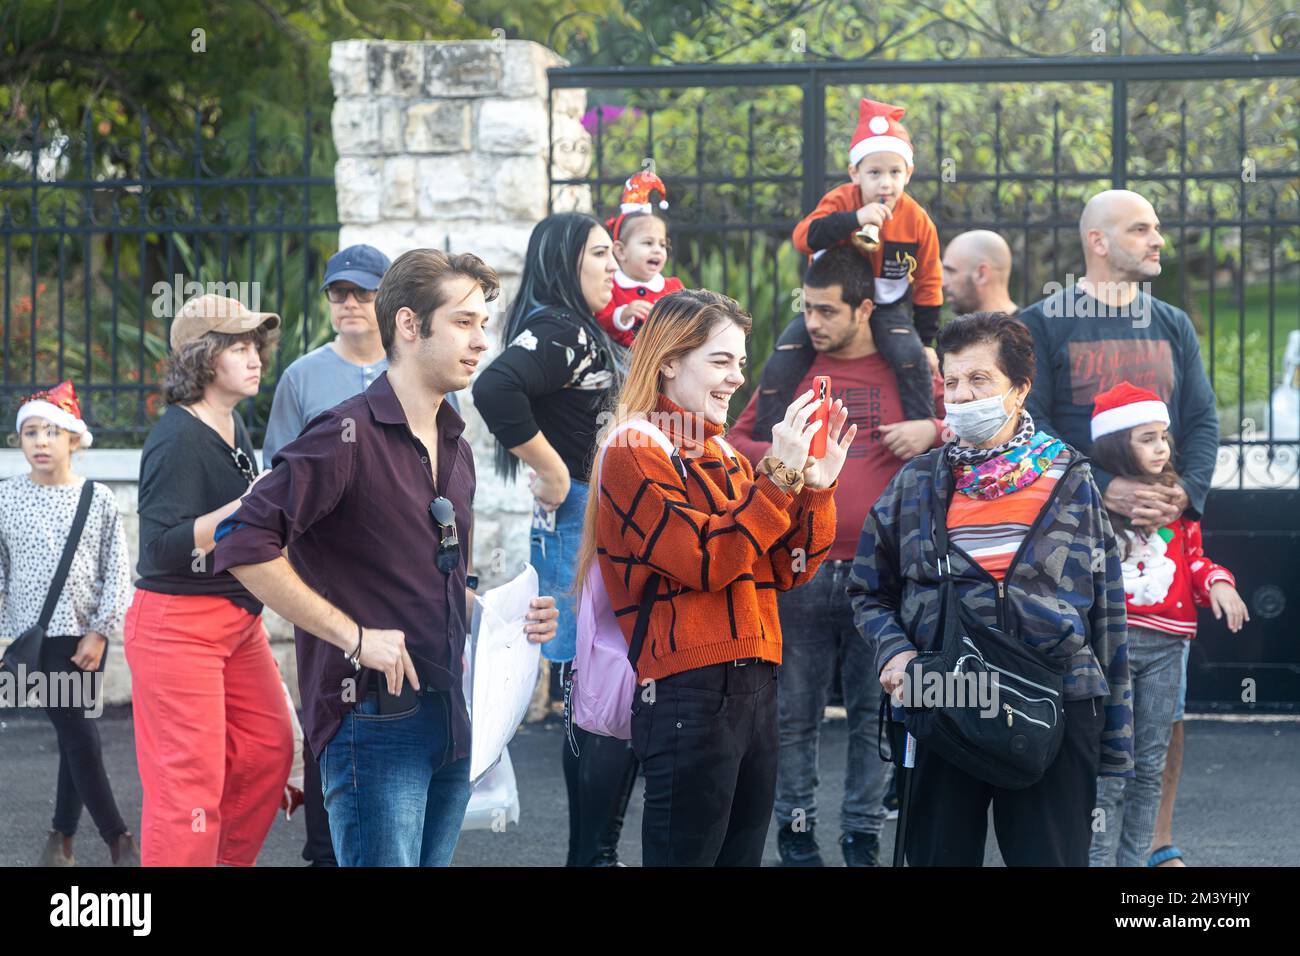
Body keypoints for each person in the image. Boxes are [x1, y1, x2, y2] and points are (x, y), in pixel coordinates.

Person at [213, 249, 559, 867]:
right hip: (372, 723)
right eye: (463, 322)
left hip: (453, 719)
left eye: (484, 323)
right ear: (407, 324)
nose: (481, 340)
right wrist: (353, 637)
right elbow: (241, 538)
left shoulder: (456, 442)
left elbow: (437, 575)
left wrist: (504, 620)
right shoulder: (343, 435)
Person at [849, 311, 1134, 866]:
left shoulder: (1071, 480)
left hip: (1055, 701)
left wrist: (1114, 738)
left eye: (979, 380)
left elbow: (1109, 609)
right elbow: (867, 589)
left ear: (1020, 388)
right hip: (944, 695)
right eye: (952, 381)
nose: (962, 394)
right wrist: (898, 652)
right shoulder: (916, 482)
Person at [578, 288, 851, 866]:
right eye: (720, 361)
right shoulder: (633, 448)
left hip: (755, 684)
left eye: (741, 364)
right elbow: (706, 560)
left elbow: (786, 568)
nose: (736, 379)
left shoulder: (725, 454)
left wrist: (819, 488)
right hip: (687, 689)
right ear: (670, 360)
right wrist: (776, 475)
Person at [1017, 188, 1220, 867]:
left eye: (1157, 227)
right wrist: (1105, 488)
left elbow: (1202, 423)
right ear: (1098, 242)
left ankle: (1155, 844)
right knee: (1082, 709)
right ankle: (1081, 850)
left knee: (1167, 711)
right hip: (1073, 557)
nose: (1157, 239)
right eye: (1142, 229)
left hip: (1162, 553)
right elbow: (1029, 429)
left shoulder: (1173, 323)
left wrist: (1182, 496)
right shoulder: (1043, 325)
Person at [727, 246, 945, 867]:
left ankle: (861, 834)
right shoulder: (792, 369)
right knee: (793, 712)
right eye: (809, 308)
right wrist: (785, 449)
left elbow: (982, 427)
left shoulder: (908, 372)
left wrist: (934, 430)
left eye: (827, 310)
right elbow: (739, 439)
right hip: (802, 568)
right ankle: (797, 834)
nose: (814, 321)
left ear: (865, 308)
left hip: (884, 576)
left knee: (873, 711)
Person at [472, 212, 635, 867]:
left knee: (598, 695)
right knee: (590, 698)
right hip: (577, 528)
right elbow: (495, 386)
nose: (611, 268)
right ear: (566, 261)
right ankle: (588, 855)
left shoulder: (580, 328)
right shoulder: (561, 327)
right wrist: (549, 469)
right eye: (600, 254)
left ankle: (595, 851)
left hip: (588, 528)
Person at [124, 294, 293, 867]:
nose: (256, 359)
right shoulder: (176, 439)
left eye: (256, 347)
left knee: (268, 750)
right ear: (204, 358)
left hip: (235, 623)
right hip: (178, 626)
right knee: (187, 791)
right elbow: (158, 548)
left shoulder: (232, 422)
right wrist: (243, 506)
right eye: (240, 348)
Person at [263, 242, 402, 867]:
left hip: (402, 576)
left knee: (401, 710)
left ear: (387, 301)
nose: (349, 303)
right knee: (329, 709)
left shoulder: (415, 371)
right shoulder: (302, 377)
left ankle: (389, 838)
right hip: (323, 580)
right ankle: (324, 852)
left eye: (363, 293)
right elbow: (279, 483)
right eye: (338, 293)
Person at [1086, 382, 1248, 868]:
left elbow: (1193, 561)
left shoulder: (1177, 502)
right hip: (1109, 648)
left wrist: (1219, 582)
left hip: (1167, 650)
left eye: (1164, 437)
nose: (1163, 447)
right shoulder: (1092, 503)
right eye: (1147, 438)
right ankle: (1092, 860)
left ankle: (1134, 863)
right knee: (1107, 770)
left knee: (1148, 767)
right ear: (1117, 444)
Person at [1, 381, 136, 867]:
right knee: (77, 733)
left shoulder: (96, 499)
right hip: (31, 641)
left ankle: (69, 840)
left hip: (82, 640)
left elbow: (116, 568)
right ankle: (112, 839)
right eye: (30, 431)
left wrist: (101, 631)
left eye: (51, 432)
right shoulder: (5, 498)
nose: (40, 441)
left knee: (74, 734)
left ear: (74, 440)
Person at [792, 97, 943, 423]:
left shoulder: (917, 221)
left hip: (887, 308)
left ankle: (922, 433)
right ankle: (766, 434)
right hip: (835, 305)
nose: (885, 183)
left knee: (910, 357)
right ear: (855, 173)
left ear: (909, 173)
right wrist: (854, 217)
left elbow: (929, 283)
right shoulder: (840, 200)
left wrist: (926, 340)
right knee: (786, 355)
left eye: (894, 172)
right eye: (874, 172)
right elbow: (803, 237)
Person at [595, 170, 684, 348]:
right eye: (648, 243)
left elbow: (687, 321)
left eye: (662, 245)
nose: (657, 250)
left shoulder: (673, 288)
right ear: (620, 251)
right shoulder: (611, 286)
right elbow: (602, 319)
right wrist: (624, 314)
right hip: (622, 361)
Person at [941, 230, 1019, 316]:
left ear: (981, 274)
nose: (943, 283)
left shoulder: (1028, 328)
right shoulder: (1028, 327)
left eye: (951, 271)